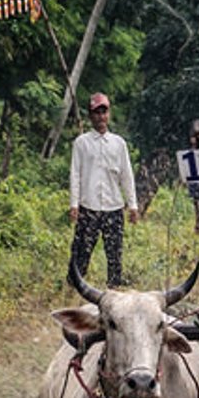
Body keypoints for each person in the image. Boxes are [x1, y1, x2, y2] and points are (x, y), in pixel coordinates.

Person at [68, 92, 139, 288]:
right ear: (90, 115)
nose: (101, 116)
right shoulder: (82, 143)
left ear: (109, 114)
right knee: (81, 251)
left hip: (113, 207)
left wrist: (132, 205)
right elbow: (75, 174)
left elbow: (127, 175)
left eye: (104, 112)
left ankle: (114, 289)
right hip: (88, 206)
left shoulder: (118, 143)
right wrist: (74, 204)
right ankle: (74, 287)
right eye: (96, 112)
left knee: (114, 255)